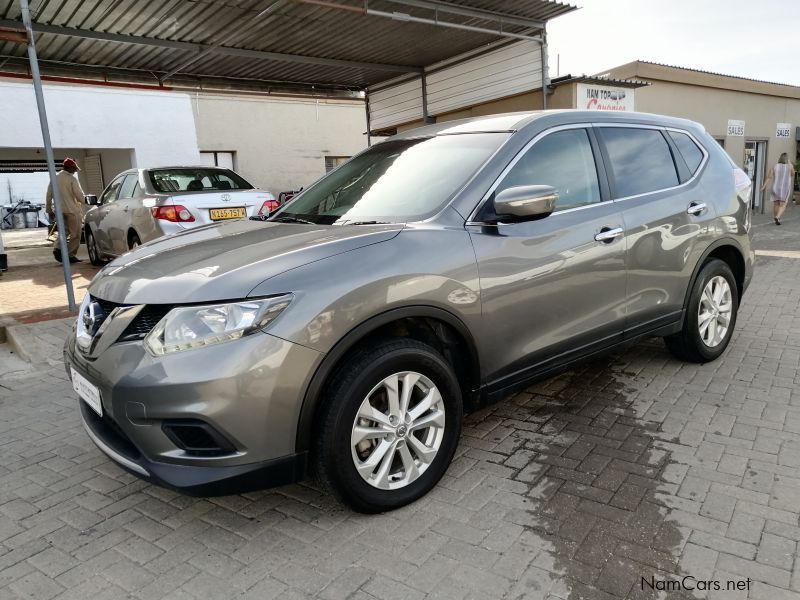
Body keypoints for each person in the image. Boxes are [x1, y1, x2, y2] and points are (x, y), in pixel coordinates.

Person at [46, 157, 84, 263]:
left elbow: (49, 194)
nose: (75, 170)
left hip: (59, 211)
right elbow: (79, 195)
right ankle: (70, 255)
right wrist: (89, 202)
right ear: (69, 168)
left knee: (63, 232)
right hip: (72, 211)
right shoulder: (72, 179)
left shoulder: (54, 178)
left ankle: (57, 248)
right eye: (74, 168)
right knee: (75, 234)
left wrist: (49, 209)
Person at [761, 153, 795, 225]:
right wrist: (790, 164)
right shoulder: (790, 166)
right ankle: (777, 216)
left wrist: (763, 187)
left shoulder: (775, 166)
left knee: (776, 204)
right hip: (785, 189)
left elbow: (769, 177)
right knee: (783, 204)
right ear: (787, 159)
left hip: (775, 188)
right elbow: (792, 174)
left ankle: (776, 218)